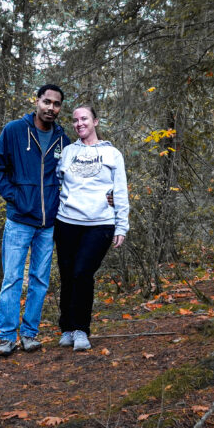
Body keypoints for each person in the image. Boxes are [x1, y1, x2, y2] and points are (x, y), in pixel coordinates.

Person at [0, 84, 69, 356]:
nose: (51, 108)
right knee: (11, 279)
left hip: (48, 224)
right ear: (37, 101)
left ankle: (30, 335)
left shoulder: (62, 139)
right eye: (47, 102)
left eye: (56, 104)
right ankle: (7, 337)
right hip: (20, 220)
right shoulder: (14, 131)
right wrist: (16, 197)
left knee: (40, 281)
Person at [54, 104, 129, 352]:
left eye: (84, 118)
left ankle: (81, 330)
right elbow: (56, 183)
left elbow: (120, 191)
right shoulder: (66, 152)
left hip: (100, 224)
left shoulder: (112, 154)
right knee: (67, 275)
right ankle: (66, 328)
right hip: (67, 222)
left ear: (95, 121)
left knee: (82, 273)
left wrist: (121, 226)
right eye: (75, 120)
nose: (79, 124)